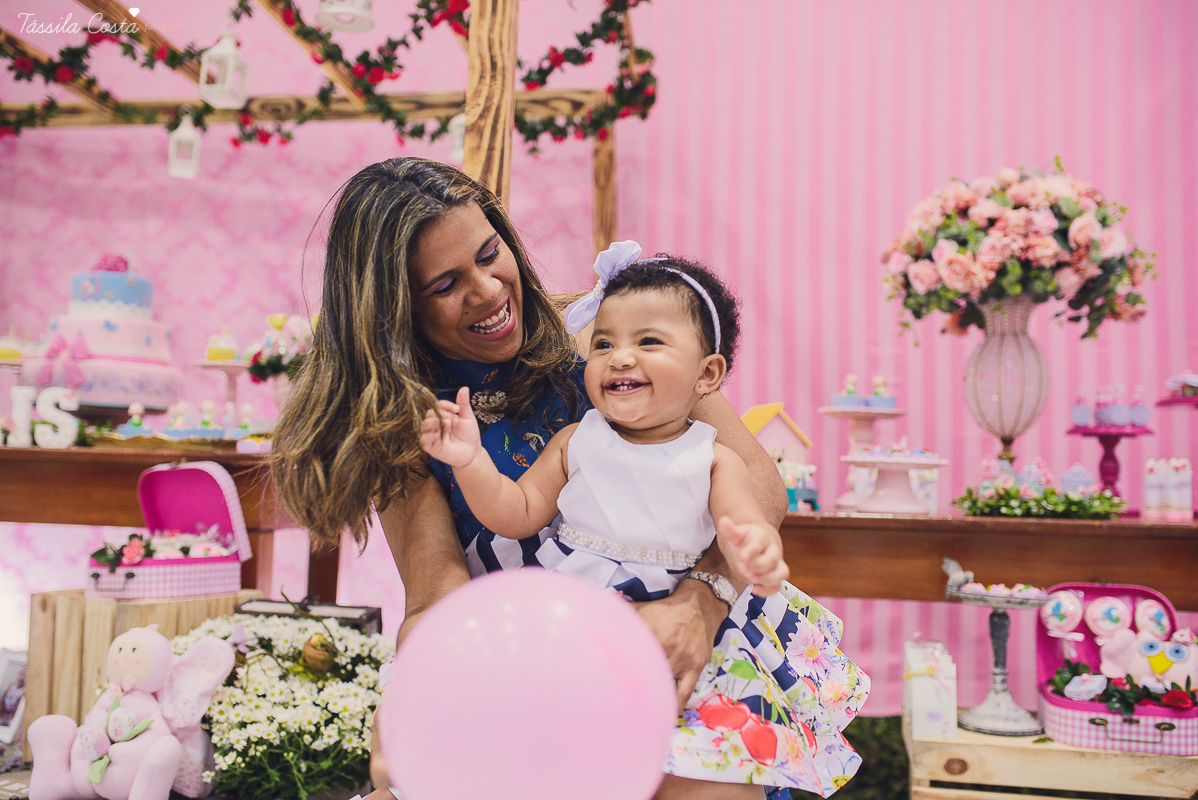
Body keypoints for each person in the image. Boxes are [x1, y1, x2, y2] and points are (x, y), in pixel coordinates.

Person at [271, 158, 793, 800]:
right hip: (521, 678)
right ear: (395, 309)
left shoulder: (603, 334)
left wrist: (700, 602)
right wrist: (417, 692)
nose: (489, 290)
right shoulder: (409, 421)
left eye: (491, 253)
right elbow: (437, 590)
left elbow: (759, 486)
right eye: (445, 284)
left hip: (665, 648)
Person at [420, 245, 869, 796]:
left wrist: (755, 549)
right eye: (604, 343)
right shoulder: (575, 441)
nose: (620, 357)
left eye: (648, 342)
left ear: (707, 374)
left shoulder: (711, 456)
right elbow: (514, 513)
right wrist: (470, 461)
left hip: (691, 622)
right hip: (585, 622)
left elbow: (746, 518)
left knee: (710, 765)